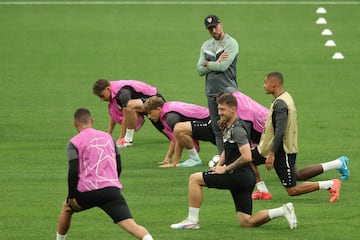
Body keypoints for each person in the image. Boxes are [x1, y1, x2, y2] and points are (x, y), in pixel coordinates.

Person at [170, 93, 297, 230]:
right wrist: (219, 165)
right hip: (243, 178)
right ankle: (283, 211)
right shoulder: (228, 126)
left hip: (239, 176)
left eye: (223, 110)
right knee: (246, 221)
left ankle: (192, 220)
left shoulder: (238, 129)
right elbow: (227, 149)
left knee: (194, 179)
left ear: (233, 109)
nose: (219, 113)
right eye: (219, 109)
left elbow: (247, 156)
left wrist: (225, 169)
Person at [55, 108, 153, 240]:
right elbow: (118, 164)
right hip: (110, 190)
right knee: (131, 224)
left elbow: (73, 170)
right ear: (92, 121)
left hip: (87, 191)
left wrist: (71, 196)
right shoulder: (109, 137)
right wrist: (113, 182)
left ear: (75, 124)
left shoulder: (73, 143)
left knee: (67, 208)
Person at [250, 72, 348, 202]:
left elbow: (280, 131)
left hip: (281, 152)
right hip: (270, 149)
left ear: (274, 84)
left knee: (292, 190)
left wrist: (272, 154)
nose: (263, 86)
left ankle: (330, 184)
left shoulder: (280, 104)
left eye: (265, 82)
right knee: (248, 159)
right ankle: (263, 191)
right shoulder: (286, 97)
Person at [197, 14, 239, 155]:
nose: (213, 31)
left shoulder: (231, 43)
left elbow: (223, 66)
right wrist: (216, 61)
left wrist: (208, 63)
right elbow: (199, 70)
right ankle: (223, 158)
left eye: (215, 27)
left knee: (232, 126)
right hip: (211, 92)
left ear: (220, 24)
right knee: (217, 128)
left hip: (228, 91)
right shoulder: (206, 45)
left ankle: (237, 157)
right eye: (210, 29)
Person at [143, 96, 216, 168]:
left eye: (150, 113)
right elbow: (175, 137)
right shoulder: (168, 108)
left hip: (210, 123)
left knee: (179, 129)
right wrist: (168, 157)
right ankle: (194, 159)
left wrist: (174, 163)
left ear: (158, 109)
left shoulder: (170, 117)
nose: (149, 116)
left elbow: (178, 138)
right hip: (210, 122)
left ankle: (194, 159)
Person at [93, 79, 166, 148]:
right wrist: (108, 134)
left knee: (130, 107)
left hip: (154, 101)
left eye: (102, 96)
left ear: (108, 89)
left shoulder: (123, 94)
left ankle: (128, 139)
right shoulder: (113, 92)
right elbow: (113, 114)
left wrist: (121, 138)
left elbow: (126, 117)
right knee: (170, 134)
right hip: (142, 104)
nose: (101, 99)